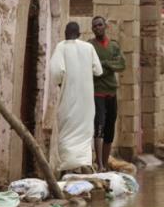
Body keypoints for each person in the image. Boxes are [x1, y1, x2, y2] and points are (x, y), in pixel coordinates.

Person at [50, 21, 103, 174]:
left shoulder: (61, 47)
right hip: (87, 100)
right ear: (79, 34)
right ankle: (85, 164)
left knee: (67, 132)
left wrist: (62, 83)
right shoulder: (89, 48)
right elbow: (98, 70)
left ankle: (67, 168)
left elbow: (56, 73)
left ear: (65, 34)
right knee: (85, 132)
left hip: (69, 97)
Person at [89, 16, 126, 172]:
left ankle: (105, 164)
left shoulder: (113, 46)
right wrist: (107, 67)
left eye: (100, 25)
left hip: (111, 92)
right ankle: (100, 165)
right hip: (97, 93)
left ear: (106, 26)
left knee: (110, 128)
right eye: (95, 26)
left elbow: (122, 64)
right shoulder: (90, 46)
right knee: (99, 127)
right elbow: (93, 70)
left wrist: (104, 65)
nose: (97, 28)